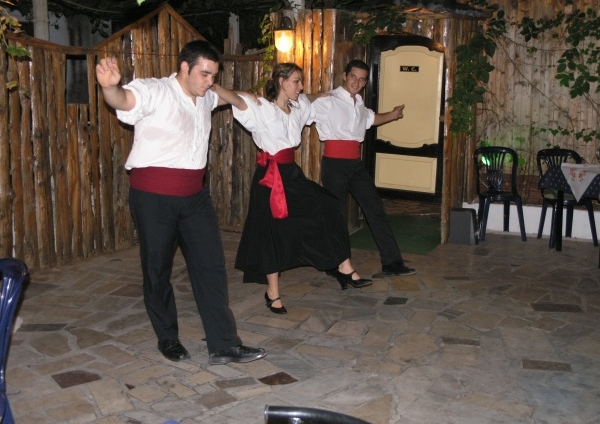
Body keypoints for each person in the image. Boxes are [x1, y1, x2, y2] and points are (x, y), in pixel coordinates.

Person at [95, 40, 266, 365]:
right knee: (157, 270)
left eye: (213, 76)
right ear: (184, 67)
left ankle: (224, 345)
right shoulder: (155, 90)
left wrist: (240, 93)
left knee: (211, 268)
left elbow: (224, 96)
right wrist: (110, 88)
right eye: (204, 74)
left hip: (195, 198)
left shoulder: (205, 94)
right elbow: (124, 100)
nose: (209, 81)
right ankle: (168, 338)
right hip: (154, 198)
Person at [211, 63, 372, 314]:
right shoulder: (262, 108)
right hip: (270, 176)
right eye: (296, 81)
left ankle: (343, 266)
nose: (301, 86)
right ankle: (272, 292)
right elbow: (233, 99)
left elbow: (309, 98)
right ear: (282, 82)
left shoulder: (297, 107)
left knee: (329, 205)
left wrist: (322, 94)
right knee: (272, 232)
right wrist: (214, 84)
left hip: (291, 174)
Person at [311, 59, 417, 277]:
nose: (356, 82)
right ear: (344, 75)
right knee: (335, 214)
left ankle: (392, 262)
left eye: (362, 80)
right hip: (334, 164)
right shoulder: (327, 100)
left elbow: (371, 119)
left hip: (355, 166)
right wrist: (314, 96)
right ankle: (335, 264)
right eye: (353, 77)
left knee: (375, 209)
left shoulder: (359, 103)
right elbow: (300, 106)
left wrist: (393, 115)